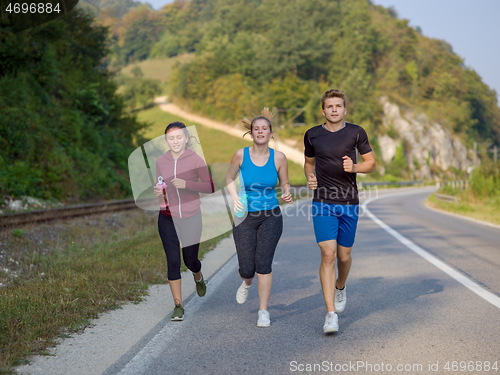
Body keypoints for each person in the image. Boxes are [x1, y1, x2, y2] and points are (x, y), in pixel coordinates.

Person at [303, 89, 375, 334]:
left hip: (349, 202)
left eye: (338, 106)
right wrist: (310, 178)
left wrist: (354, 167)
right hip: (322, 201)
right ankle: (330, 314)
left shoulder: (356, 132)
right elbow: (309, 163)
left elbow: (371, 163)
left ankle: (341, 286)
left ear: (345, 109)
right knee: (328, 255)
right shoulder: (312, 135)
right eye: (329, 106)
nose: (334, 109)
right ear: (323, 110)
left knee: (344, 257)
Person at [226, 109, 293, 327]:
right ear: (251, 133)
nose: (261, 131)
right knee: (247, 268)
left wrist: (286, 191)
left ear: (271, 134)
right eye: (257, 129)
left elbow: (285, 182)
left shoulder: (279, 157)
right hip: (244, 215)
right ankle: (246, 283)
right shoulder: (240, 155)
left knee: (263, 264)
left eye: (265, 128)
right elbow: (229, 178)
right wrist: (235, 196)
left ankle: (263, 311)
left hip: (271, 215)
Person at [153, 122, 214, 321]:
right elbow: (160, 185)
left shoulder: (196, 159)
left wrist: (186, 184)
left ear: (186, 138)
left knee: (190, 261)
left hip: (190, 216)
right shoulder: (161, 161)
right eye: (171, 138)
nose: (175, 141)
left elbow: (210, 186)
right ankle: (178, 305)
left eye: (179, 137)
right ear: (166, 141)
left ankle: (198, 275)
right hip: (167, 217)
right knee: (172, 260)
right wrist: (158, 192)